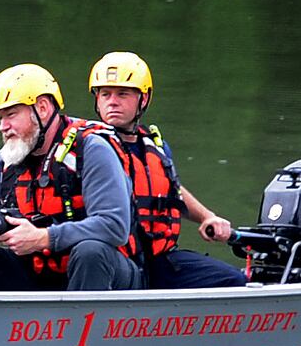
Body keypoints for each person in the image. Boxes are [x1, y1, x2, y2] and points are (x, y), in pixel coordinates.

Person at [0, 63, 142, 293]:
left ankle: (80, 327)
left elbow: (114, 227)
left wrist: (44, 238)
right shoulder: (8, 159)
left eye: (11, 114)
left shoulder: (91, 149)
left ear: (42, 108)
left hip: (102, 271)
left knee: (90, 252)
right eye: (0, 118)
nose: (3, 127)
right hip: (37, 272)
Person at [87, 51, 247, 290]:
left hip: (158, 258)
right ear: (97, 100)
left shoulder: (155, 147)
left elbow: (171, 190)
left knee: (235, 281)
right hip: (113, 262)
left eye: (123, 94)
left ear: (143, 99)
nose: (112, 101)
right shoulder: (87, 149)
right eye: (105, 94)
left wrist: (207, 217)